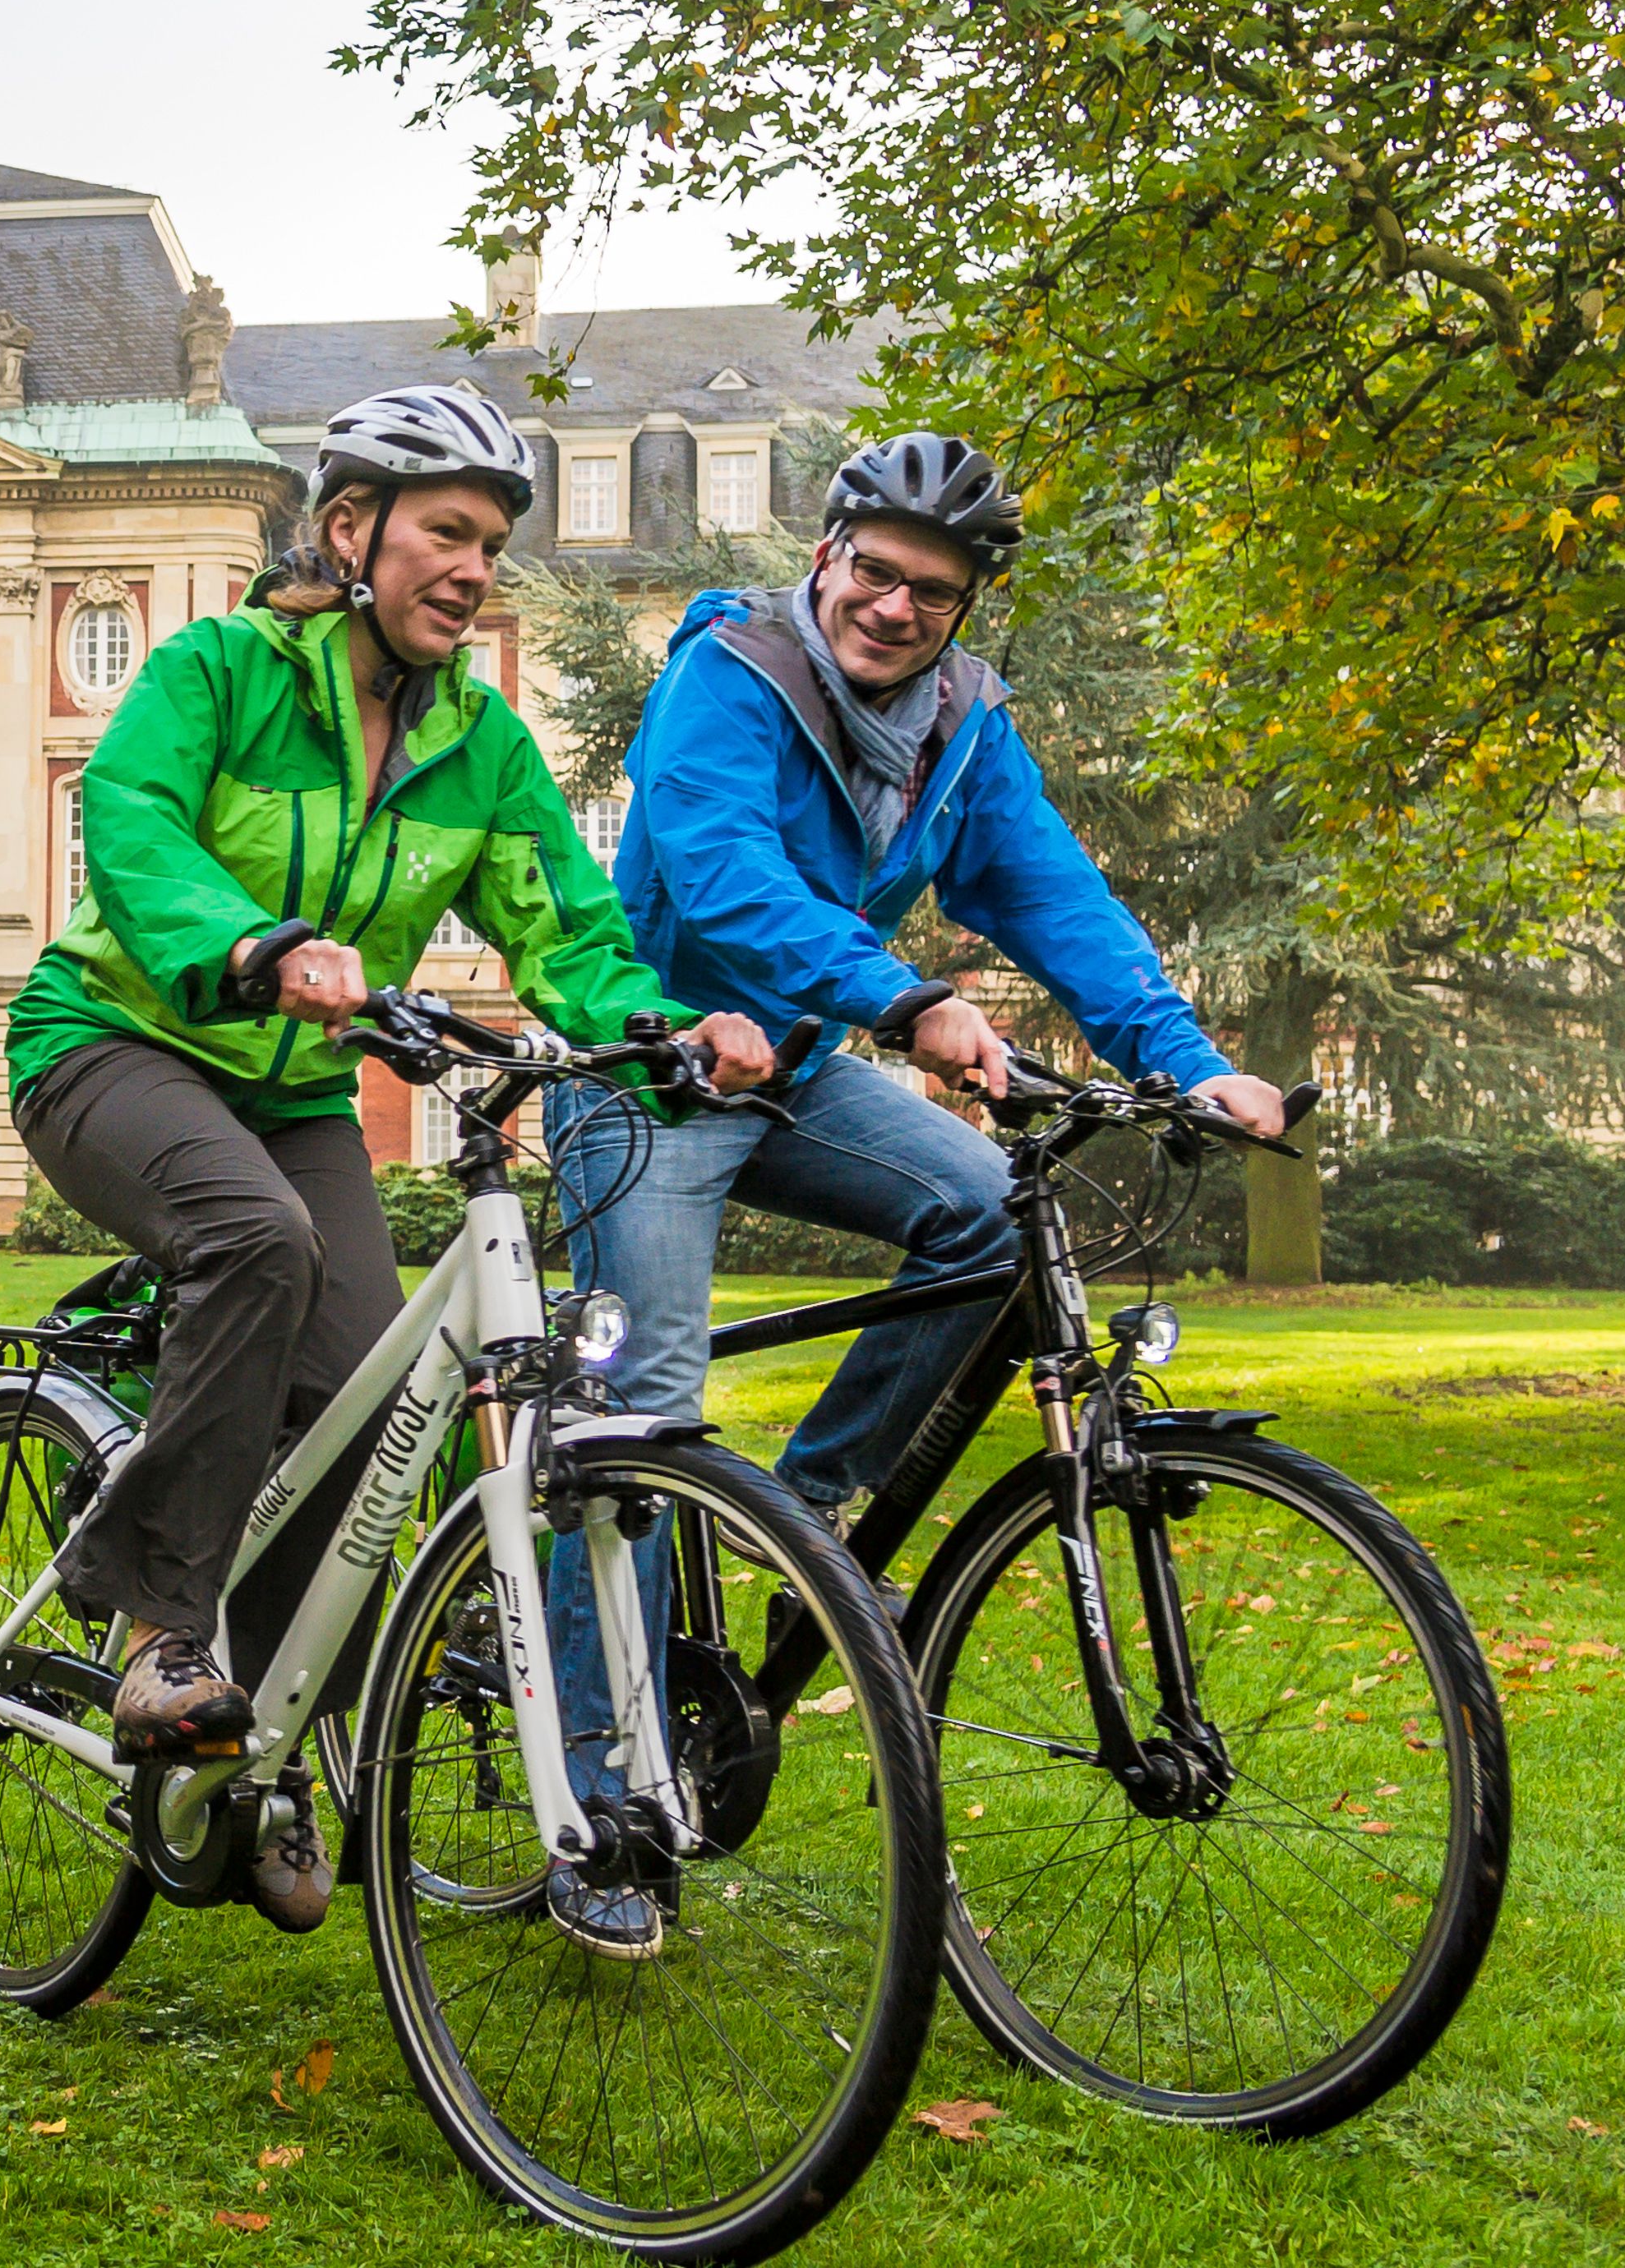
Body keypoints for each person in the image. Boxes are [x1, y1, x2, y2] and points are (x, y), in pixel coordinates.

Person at [6, 383, 773, 1938]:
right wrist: (251, 939)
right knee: (257, 1243)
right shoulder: (218, 670)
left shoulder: (481, 743)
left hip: (293, 1091)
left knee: (367, 1404)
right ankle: (160, 1625)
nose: (473, 567)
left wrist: (660, 1022)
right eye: (447, 532)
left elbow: (562, 919)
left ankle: (260, 1752)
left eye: (490, 543)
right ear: (348, 531)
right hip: (112, 1041)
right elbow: (130, 813)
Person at [537, 431, 1286, 1948]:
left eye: (928, 592)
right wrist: (903, 1001)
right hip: (659, 1069)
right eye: (872, 570)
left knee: (995, 1218)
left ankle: (800, 1515)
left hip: (803, 1060)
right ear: (825, 555)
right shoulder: (727, 672)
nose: (891, 605)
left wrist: (1187, 1057)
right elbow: (720, 866)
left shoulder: (962, 726)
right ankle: (594, 1804)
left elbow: (1049, 891)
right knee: (633, 1420)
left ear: (963, 609)